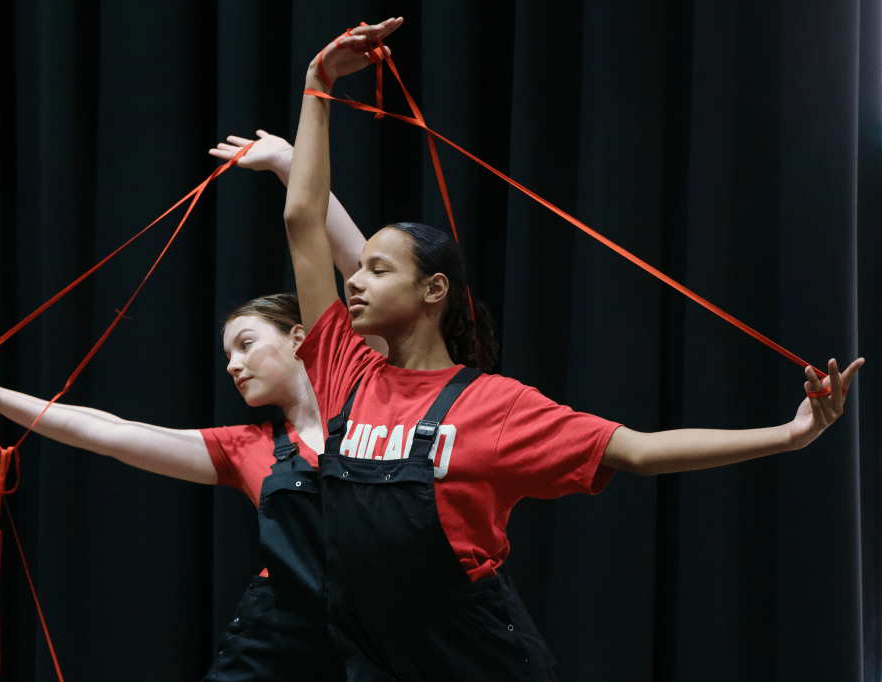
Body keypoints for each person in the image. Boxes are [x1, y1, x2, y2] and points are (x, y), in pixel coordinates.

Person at [282, 17, 865, 681]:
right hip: (376, 660)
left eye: (378, 269)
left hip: (478, 662)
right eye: (356, 269)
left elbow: (639, 451)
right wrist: (318, 85)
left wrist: (789, 435)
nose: (354, 281)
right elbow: (302, 220)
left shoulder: (495, 406)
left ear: (434, 289)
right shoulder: (343, 370)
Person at [0, 132, 375, 682]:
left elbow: (364, 271)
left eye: (246, 344)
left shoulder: (371, 392)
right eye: (227, 355)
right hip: (274, 651)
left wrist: (287, 163)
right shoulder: (248, 449)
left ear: (301, 337)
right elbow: (110, 432)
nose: (232, 365)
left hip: (377, 645)